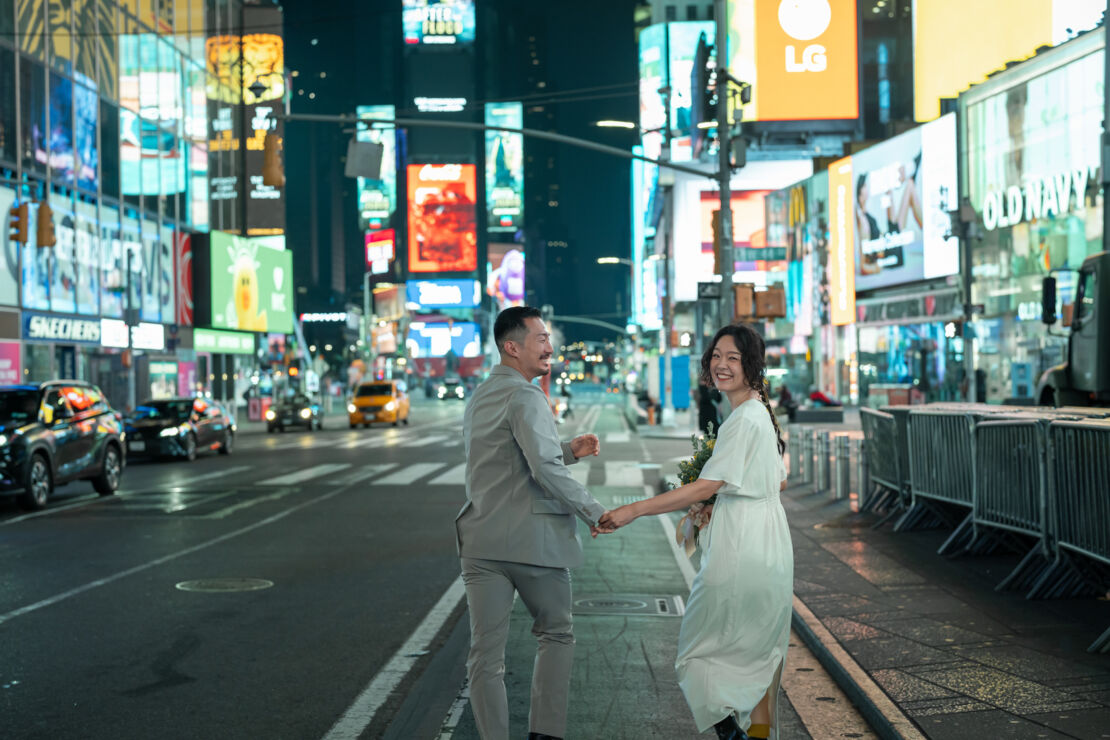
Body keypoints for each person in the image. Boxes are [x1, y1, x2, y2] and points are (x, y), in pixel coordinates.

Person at [600, 324, 792, 740]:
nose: (721, 365)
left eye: (733, 358)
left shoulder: (743, 420)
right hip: (771, 542)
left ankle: (732, 735)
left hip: (741, 545)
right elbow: (777, 481)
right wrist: (718, 499)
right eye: (717, 355)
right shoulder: (758, 412)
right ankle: (755, 734)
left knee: (697, 651)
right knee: (759, 652)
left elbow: (709, 484)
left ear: (752, 366)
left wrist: (634, 509)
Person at [456, 306, 612, 740]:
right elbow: (542, 469)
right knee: (556, 634)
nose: (549, 347)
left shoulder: (481, 394)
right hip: (533, 544)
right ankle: (545, 735)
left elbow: (504, 459)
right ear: (512, 346)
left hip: (482, 542)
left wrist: (567, 449)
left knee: (485, 657)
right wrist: (595, 512)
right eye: (540, 339)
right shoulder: (527, 395)